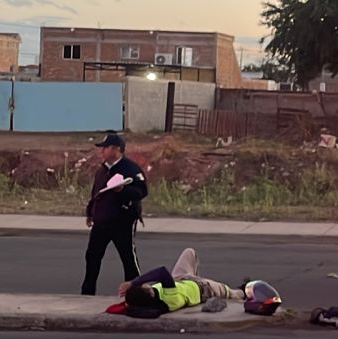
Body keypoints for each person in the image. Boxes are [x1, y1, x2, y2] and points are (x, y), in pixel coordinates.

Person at [114, 248, 278, 317]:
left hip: (180, 279)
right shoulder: (169, 300)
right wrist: (133, 282)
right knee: (237, 293)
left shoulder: (150, 300)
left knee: (189, 252)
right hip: (203, 288)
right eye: (144, 286)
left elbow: (133, 306)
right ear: (149, 292)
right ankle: (246, 290)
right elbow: (161, 272)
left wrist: (130, 301)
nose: (146, 284)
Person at [81, 132, 148, 296]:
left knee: (128, 258)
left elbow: (141, 191)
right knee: (92, 256)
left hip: (122, 222)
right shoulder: (102, 170)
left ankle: (135, 292)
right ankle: (87, 293)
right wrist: (90, 212)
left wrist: (123, 190)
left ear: (117, 149)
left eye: (105, 148)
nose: (102, 151)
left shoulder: (130, 168)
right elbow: (96, 192)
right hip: (101, 221)